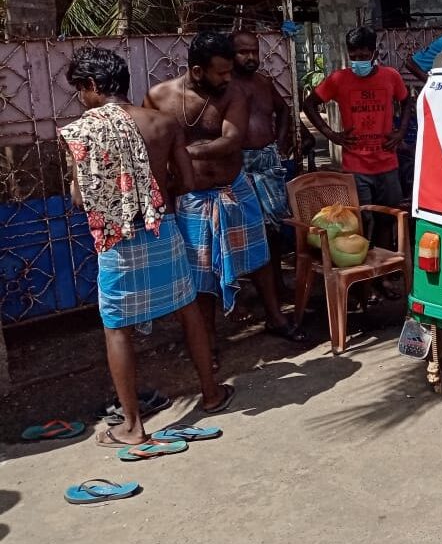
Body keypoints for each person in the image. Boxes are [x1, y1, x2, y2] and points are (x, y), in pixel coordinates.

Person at [60, 47, 233, 447]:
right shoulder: (163, 122)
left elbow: (81, 200)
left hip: (117, 239)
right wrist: (152, 194)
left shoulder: (82, 131)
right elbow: (186, 182)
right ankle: (211, 394)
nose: (80, 100)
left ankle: (133, 427)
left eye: (79, 91)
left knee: (117, 326)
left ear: (90, 85)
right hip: (163, 228)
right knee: (187, 307)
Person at [145, 32, 305, 366]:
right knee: (201, 274)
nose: (229, 77)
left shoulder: (234, 94)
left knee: (259, 258)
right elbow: (153, 145)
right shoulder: (159, 97)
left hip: (234, 189)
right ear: (199, 71)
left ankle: (275, 317)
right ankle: (209, 343)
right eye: (221, 72)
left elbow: (232, 141)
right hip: (191, 198)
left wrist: (183, 151)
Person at [303, 26, 414, 298]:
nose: (359, 60)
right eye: (354, 55)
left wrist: (400, 133)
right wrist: (331, 134)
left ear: (374, 53)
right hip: (355, 166)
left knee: (387, 219)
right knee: (360, 224)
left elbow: (407, 101)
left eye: (364, 55)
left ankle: (382, 276)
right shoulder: (339, 79)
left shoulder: (391, 77)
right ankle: (362, 281)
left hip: (387, 164)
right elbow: (309, 104)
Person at [230, 30, 293, 296]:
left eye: (254, 51)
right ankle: (243, 292)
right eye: (243, 52)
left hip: (267, 159)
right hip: (237, 162)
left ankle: (277, 283)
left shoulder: (264, 82)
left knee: (274, 227)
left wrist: (279, 143)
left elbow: (284, 110)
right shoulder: (226, 85)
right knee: (241, 228)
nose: (250, 57)